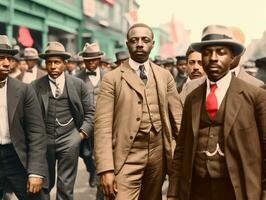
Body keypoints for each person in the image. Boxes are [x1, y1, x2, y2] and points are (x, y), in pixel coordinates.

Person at [167, 25, 266, 200]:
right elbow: (181, 149)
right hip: (197, 189)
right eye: (207, 53)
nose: (213, 58)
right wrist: (173, 193)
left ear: (232, 57)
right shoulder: (192, 98)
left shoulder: (255, 96)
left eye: (221, 52)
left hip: (237, 190)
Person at [94, 23, 182, 200]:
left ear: (152, 44)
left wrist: (182, 158)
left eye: (145, 40)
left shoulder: (164, 76)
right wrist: (106, 169)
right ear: (127, 44)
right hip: (126, 155)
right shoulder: (112, 79)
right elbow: (102, 126)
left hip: (158, 155)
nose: (140, 44)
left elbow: (178, 120)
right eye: (134, 40)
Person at [32, 41, 95, 200]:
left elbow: (91, 113)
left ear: (65, 64)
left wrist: (80, 135)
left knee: (65, 188)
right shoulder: (35, 86)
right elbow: (29, 117)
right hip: (44, 142)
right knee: (43, 187)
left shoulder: (78, 84)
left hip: (69, 140)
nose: (53, 66)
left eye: (57, 62)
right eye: (49, 62)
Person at [0, 35, 48, 200]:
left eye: (9, 58)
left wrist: (35, 171)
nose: (7, 63)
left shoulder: (24, 90)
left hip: (16, 157)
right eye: (1, 58)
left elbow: (36, 132)